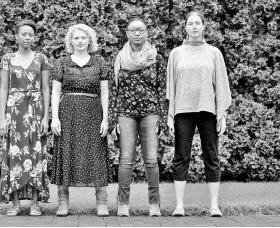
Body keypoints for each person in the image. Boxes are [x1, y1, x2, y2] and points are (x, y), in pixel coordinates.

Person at [166, 11, 232, 217]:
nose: (194, 27)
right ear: (185, 27)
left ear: (204, 26)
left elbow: (221, 85)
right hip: (183, 112)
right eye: (190, 24)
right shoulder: (176, 53)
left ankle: (214, 206)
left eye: (197, 23)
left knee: (212, 157)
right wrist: (170, 114)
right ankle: (179, 206)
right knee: (181, 157)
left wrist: (221, 115)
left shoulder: (214, 53)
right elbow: (171, 86)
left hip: (208, 112)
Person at [108, 13, 167, 217]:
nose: (137, 33)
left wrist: (161, 116)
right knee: (126, 160)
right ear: (126, 33)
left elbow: (161, 89)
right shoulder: (119, 58)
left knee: (151, 160)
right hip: (125, 113)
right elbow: (114, 91)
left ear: (147, 32)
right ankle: (123, 204)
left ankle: (155, 205)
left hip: (150, 113)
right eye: (133, 30)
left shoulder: (156, 58)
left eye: (141, 29)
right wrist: (113, 118)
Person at [50, 23, 110, 217]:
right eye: (76, 38)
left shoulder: (99, 62)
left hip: (94, 114)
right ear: (71, 41)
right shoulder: (62, 63)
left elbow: (105, 93)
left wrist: (106, 119)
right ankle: (63, 203)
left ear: (90, 40)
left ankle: (101, 203)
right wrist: (55, 118)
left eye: (83, 37)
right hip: (68, 114)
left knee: (97, 155)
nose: (80, 41)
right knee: (65, 153)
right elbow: (56, 91)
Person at [0, 19, 51, 216]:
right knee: (14, 154)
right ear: (16, 36)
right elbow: (4, 88)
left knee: (36, 153)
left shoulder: (41, 59)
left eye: (31, 34)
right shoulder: (7, 59)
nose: (28, 37)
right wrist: (3, 118)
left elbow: (46, 88)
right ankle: (15, 204)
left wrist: (46, 117)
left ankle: (35, 204)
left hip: (36, 110)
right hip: (15, 110)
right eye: (24, 34)